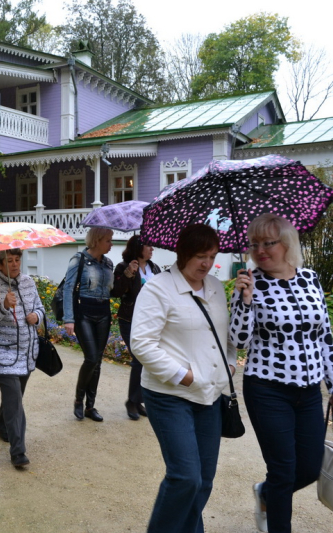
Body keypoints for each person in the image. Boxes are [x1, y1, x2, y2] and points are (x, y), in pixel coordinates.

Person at [229, 213, 333, 533]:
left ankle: (265, 494)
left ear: (286, 243)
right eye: (254, 244)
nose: (261, 250)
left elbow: (324, 335)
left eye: (269, 243)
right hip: (267, 388)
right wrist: (244, 301)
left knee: (308, 467)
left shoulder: (310, 278)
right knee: (283, 470)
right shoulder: (249, 283)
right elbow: (239, 341)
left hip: (308, 391)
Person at [130, 223, 236, 533]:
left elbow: (223, 334)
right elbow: (141, 344)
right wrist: (184, 376)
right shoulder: (158, 289)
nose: (207, 263)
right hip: (169, 396)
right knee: (185, 477)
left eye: (212, 256)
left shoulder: (215, 286)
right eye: (201, 256)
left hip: (211, 395)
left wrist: (230, 363)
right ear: (183, 254)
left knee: (203, 480)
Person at [0, 249, 45, 468]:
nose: (15, 264)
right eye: (9, 261)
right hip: (3, 354)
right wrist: (3, 306)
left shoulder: (28, 282)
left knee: (13, 399)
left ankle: (2, 427)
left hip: (27, 352)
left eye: (17, 260)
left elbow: (40, 308)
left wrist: (37, 317)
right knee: (15, 400)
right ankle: (18, 452)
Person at [63, 227, 114, 422]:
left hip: (104, 314)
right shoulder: (79, 260)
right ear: (97, 240)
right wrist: (69, 318)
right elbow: (68, 288)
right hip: (84, 313)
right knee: (91, 358)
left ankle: (90, 406)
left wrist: (127, 273)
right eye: (108, 240)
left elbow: (112, 290)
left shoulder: (108, 263)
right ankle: (78, 399)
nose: (110, 244)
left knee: (98, 361)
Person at [111, 235, 161, 421]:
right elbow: (115, 292)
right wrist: (128, 274)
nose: (152, 248)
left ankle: (137, 401)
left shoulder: (153, 268)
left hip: (151, 320)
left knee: (146, 360)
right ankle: (132, 401)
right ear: (139, 247)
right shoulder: (123, 267)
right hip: (130, 319)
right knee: (138, 359)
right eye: (148, 245)